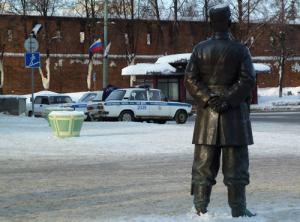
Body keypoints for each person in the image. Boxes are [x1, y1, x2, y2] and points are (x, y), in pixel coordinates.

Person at [184, 4, 256, 218]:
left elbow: (190, 79)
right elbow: (248, 80)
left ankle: (199, 209)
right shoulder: (241, 50)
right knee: (236, 169)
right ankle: (239, 209)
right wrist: (228, 100)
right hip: (234, 117)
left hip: (207, 116)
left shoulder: (199, 49)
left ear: (210, 23)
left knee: (203, 167)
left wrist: (208, 98)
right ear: (230, 23)